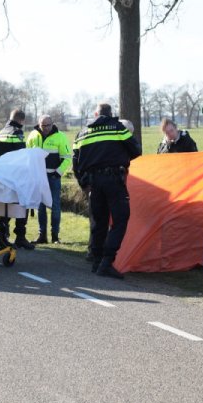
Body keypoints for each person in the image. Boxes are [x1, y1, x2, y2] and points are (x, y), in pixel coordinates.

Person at [72, 103, 142, 279]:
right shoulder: (117, 128)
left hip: (93, 183)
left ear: (96, 114)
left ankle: (96, 262)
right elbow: (136, 150)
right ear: (111, 114)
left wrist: (84, 184)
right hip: (113, 180)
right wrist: (120, 157)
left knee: (98, 222)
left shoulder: (82, 133)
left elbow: (76, 163)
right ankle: (107, 262)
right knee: (120, 219)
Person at [26, 114, 72, 244]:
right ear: (39, 124)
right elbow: (27, 157)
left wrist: (58, 173)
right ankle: (42, 236)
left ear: (53, 124)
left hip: (53, 177)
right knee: (40, 207)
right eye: (43, 125)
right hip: (38, 178)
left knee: (55, 206)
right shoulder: (32, 136)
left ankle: (55, 236)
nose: (46, 128)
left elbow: (67, 158)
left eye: (48, 125)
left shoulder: (61, 137)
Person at [0, 108, 33, 250]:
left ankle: (2, 236)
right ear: (22, 120)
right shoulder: (17, 132)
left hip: (2, 175)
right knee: (23, 204)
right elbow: (21, 156)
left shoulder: (0, 132)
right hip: (16, 176)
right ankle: (20, 237)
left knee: (5, 205)